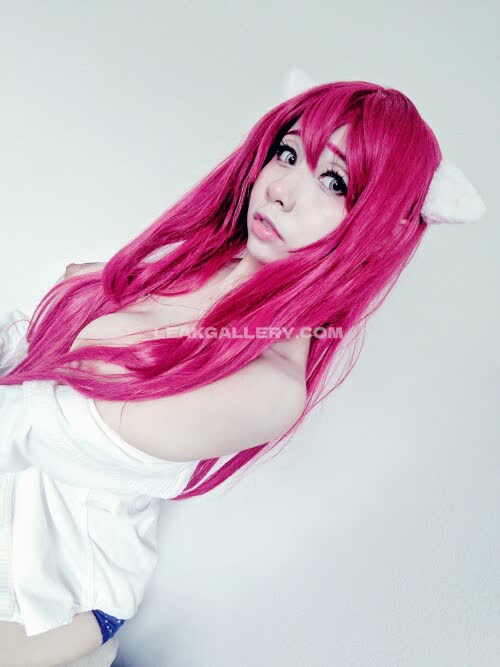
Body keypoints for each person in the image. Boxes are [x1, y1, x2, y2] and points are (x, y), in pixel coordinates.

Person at [0, 70, 486, 666]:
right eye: (288, 154)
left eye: (334, 181)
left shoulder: (269, 387)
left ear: (379, 227)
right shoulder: (171, 267)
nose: (282, 189)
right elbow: (25, 342)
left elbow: (36, 427)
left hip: (51, 599)